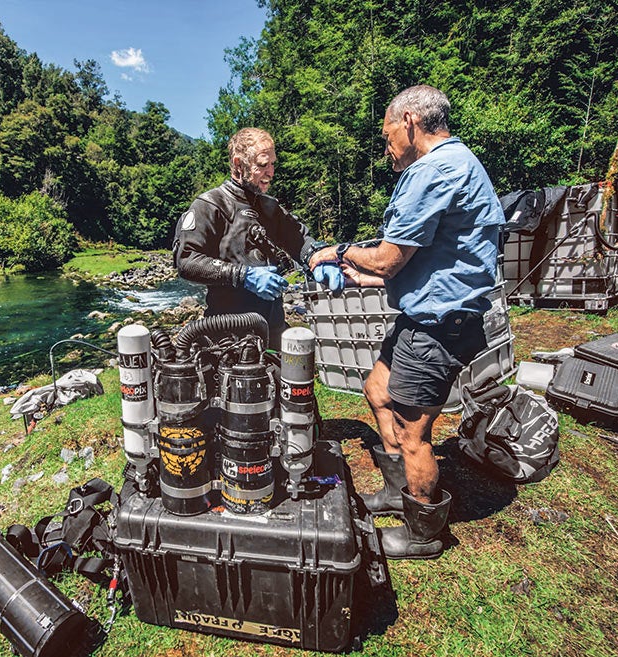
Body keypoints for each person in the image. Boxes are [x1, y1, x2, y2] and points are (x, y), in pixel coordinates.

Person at [309, 85, 505, 559]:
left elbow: (392, 257)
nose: (386, 147)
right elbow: (438, 259)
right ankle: (398, 495)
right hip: (427, 312)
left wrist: (336, 253)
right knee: (378, 390)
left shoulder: (434, 171)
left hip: (439, 324)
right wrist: (366, 280)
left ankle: (423, 530)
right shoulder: (456, 163)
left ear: (410, 121)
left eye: (387, 134)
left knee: (413, 431)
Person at [172, 128, 338, 351]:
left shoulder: (271, 208)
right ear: (239, 164)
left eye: (272, 164)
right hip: (226, 337)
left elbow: (300, 240)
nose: (270, 172)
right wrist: (243, 276)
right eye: (262, 165)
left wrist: (317, 258)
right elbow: (186, 261)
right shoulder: (210, 205)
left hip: (273, 332)